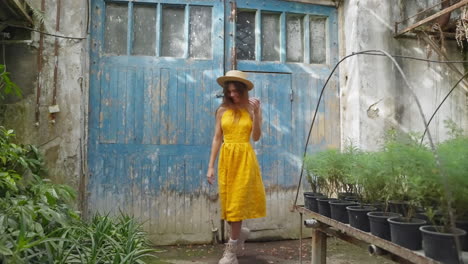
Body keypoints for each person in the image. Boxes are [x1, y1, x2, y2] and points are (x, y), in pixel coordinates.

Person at [207, 70, 267, 264]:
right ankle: (240, 233)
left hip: (244, 159)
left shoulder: (251, 109)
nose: (233, 95)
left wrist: (257, 113)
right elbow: (217, 138)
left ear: (243, 90)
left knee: (237, 204)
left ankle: (231, 252)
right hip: (227, 160)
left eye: (236, 91)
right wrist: (211, 166)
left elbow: (256, 137)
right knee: (230, 203)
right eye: (229, 91)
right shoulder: (222, 110)